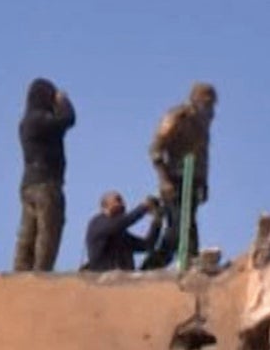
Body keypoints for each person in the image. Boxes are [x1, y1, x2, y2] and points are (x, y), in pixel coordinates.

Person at [145, 83, 217, 269]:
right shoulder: (178, 116)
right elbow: (156, 148)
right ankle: (152, 266)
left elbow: (202, 155)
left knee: (188, 223)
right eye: (206, 101)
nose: (210, 107)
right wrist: (164, 180)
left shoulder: (204, 124)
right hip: (174, 178)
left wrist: (204, 183)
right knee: (179, 227)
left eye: (212, 103)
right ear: (195, 100)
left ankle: (191, 259)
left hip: (193, 179)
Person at [15, 78, 76, 272]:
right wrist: (63, 101)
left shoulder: (27, 122)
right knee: (48, 230)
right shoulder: (39, 119)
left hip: (29, 183)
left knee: (28, 232)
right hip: (45, 184)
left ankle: (21, 271)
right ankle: (41, 273)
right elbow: (68, 120)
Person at [82, 192, 158, 272]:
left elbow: (147, 245)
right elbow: (125, 221)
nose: (123, 204)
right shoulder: (97, 223)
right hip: (104, 279)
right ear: (105, 206)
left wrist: (157, 221)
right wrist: (144, 207)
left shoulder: (120, 234)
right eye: (118, 200)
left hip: (125, 280)